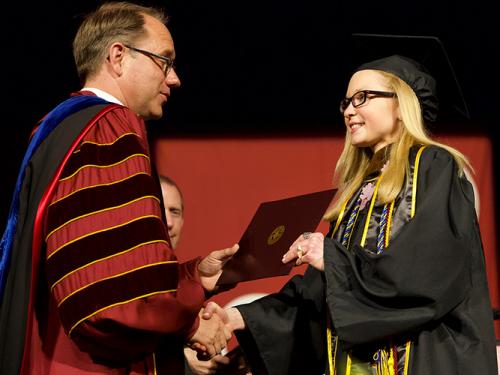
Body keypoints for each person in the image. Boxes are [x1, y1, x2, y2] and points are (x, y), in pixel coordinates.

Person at [220, 55, 497, 374]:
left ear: (401, 102)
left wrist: (332, 259)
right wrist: (238, 318)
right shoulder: (359, 192)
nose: (349, 110)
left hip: (423, 358)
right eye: (347, 101)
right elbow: (320, 294)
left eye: (363, 97)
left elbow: (425, 273)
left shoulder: (433, 167)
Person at [0, 2, 238, 374]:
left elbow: (99, 260)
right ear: (118, 57)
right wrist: (191, 321)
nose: (174, 79)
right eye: (165, 60)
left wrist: (194, 279)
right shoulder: (109, 127)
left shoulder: (57, 128)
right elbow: (108, 300)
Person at [158, 175, 232, 374]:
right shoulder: (115, 274)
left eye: (175, 211)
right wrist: (186, 341)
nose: (169, 222)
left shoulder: (183, 288)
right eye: (158, 209)